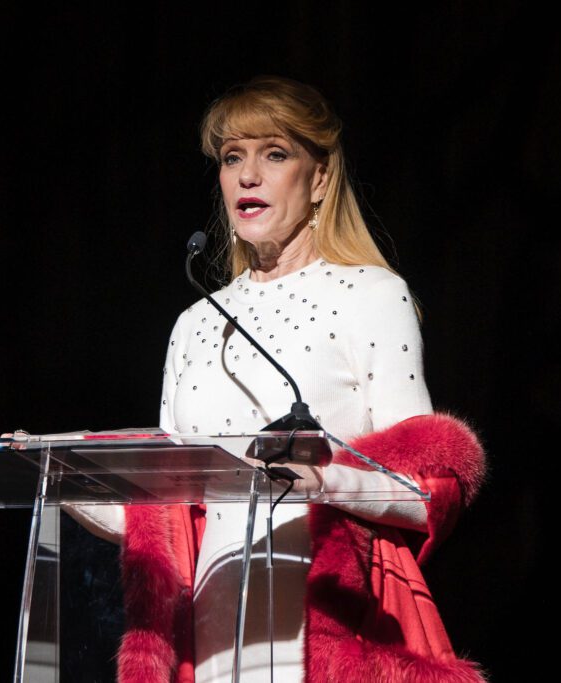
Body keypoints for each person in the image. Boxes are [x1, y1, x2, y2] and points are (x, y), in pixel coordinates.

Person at [72, 75, 486, 683]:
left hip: (326, 626)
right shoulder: (194, 322)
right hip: (212, 631)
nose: (247, 176)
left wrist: (324, 482)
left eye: (274, 154)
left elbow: (427, 493)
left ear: (319, 179)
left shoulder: (371, 296)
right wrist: (73, 480)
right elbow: (169, 505)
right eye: (232, 157)